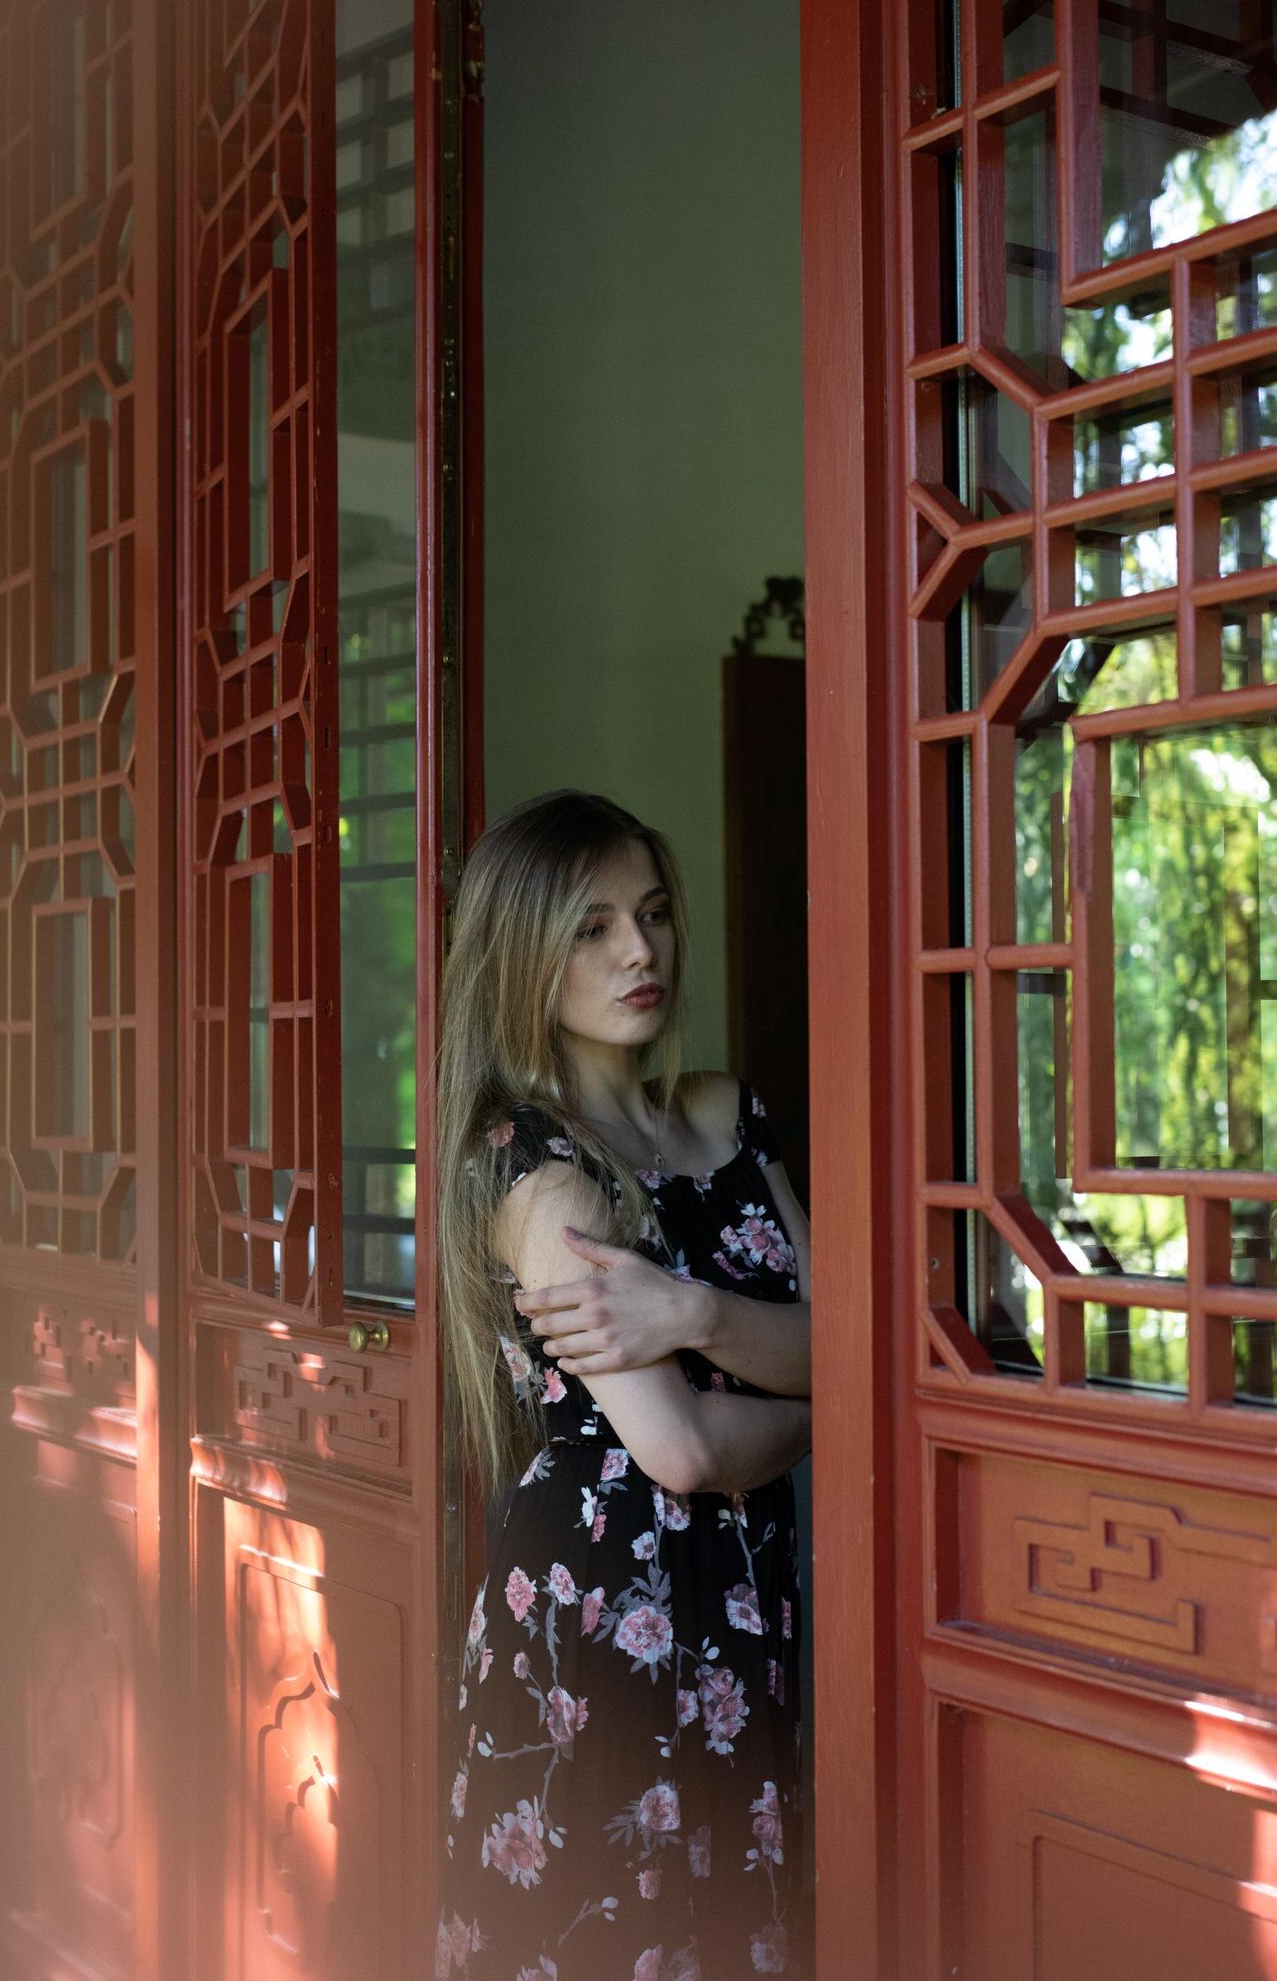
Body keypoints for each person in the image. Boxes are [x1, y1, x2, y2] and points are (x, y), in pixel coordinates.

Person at [434, 787, 813, 1980]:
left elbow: (858, 1335)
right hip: (605, 1617)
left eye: (649, 913)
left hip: (748, 1597)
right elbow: (685, 1450)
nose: (639, 949)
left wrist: (697, 1312)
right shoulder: (537, 1170)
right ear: (522, 952)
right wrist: (831, 1394)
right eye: (591, 926)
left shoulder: (721, 1111)